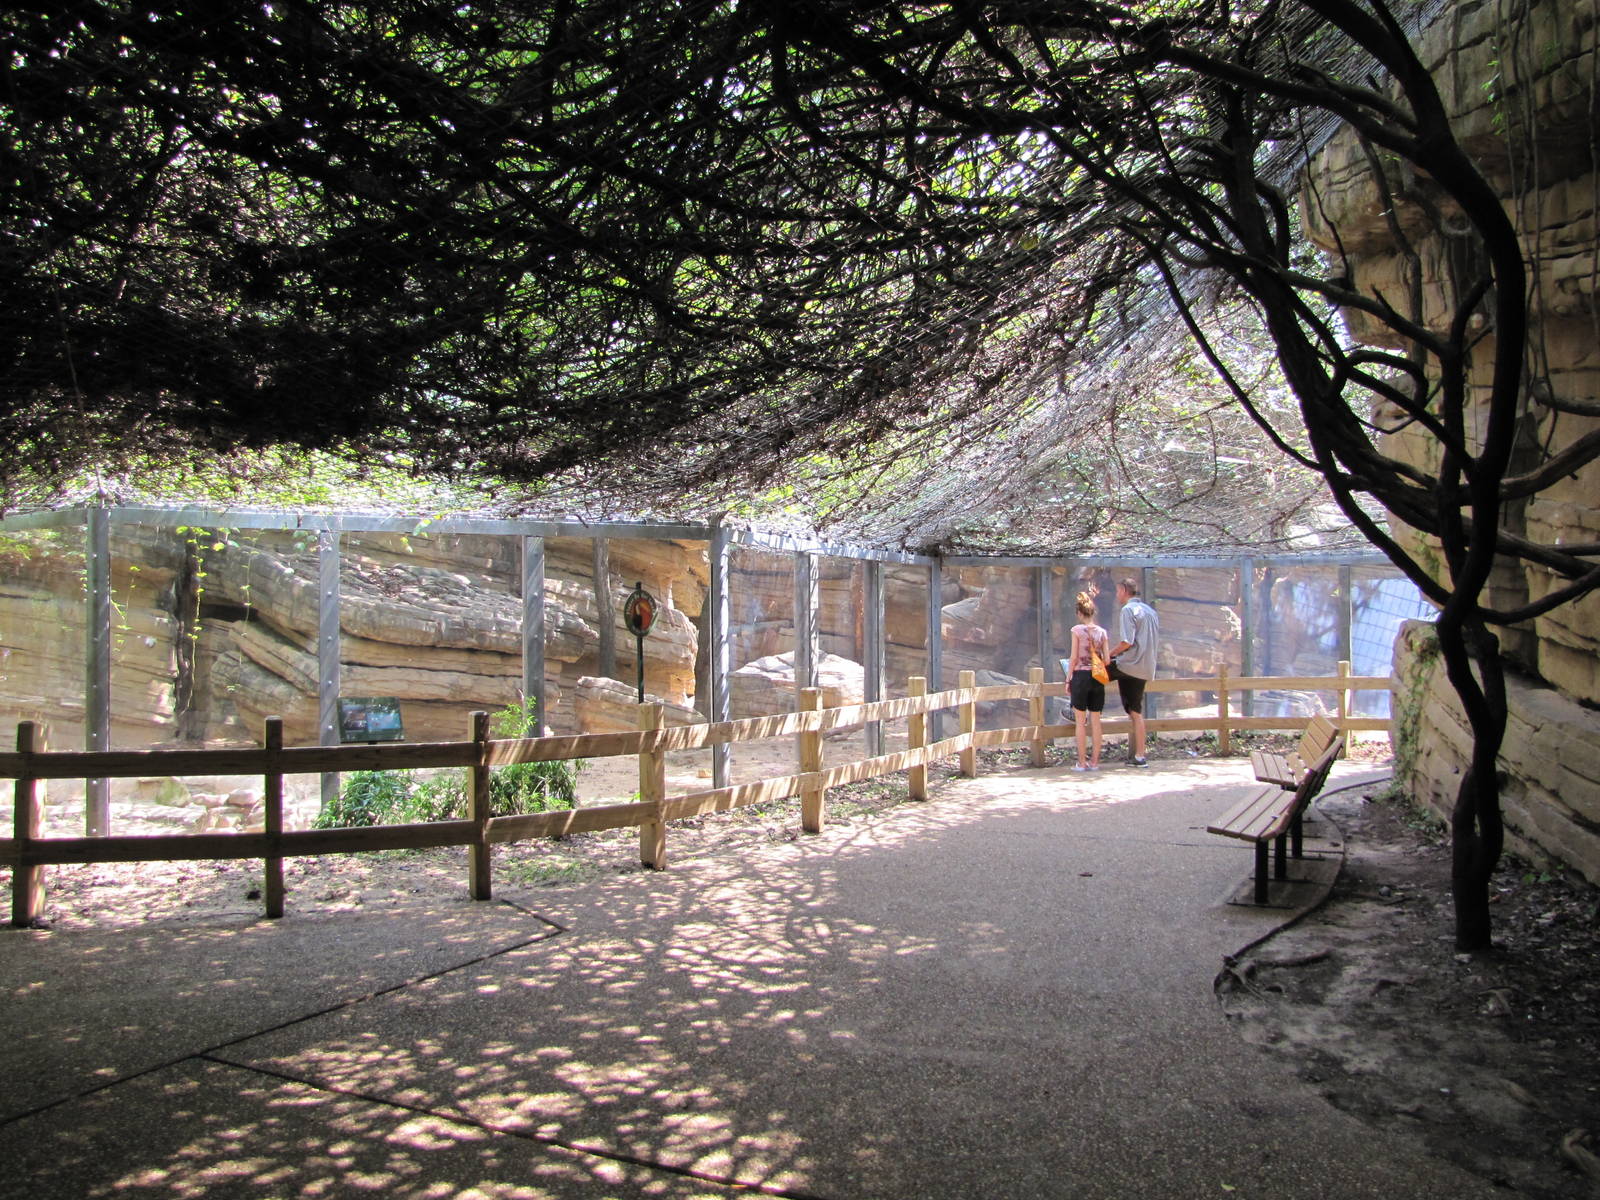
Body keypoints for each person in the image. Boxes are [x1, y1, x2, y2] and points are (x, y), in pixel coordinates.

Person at [1108, 576, 1160, 766]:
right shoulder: (1150, 612)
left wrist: (1109, 654)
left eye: (1117, 591)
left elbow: (1127, 642)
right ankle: (1140, 756)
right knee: (1135, 712)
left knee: (1091, 676)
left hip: (1128, 664)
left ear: (1123, 591)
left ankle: (1079, 709)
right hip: (1145, 667)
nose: (1116, 595)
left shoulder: (1128, 610)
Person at [1067, 590, 1110, 771]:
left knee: (1080, 721)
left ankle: (1081, 762)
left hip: (1081, 677)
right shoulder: (1102, 632)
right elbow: (1107, 660)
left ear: (1079, 613)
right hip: (1097, 677)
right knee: (1096, 720)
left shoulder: (1076, 630)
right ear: (1093, 612)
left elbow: (1074, 657)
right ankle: (1094, 762)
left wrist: (1069, 676)